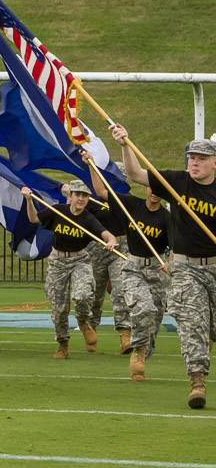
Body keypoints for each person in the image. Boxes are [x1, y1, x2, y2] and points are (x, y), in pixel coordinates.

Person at [111, 127, 216, 409]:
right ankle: (197, 381)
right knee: (192, 324)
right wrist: (125, 145)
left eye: (201, 158)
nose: (194, 162)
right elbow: (136, 175)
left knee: (211, 329)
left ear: (214, 162)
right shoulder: (177, 182)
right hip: (185, 268)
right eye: (191, 157)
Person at [83, 150, 170, 381]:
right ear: (146, 188)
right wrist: (91, 165)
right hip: (132, 266)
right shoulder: (132, 205)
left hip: (156, 269)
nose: (154, 193)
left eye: (159, 189)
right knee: (143, 309)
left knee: (155, 317)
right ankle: (137, 353)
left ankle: (144, 349)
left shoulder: (168, 218)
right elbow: (102, 192)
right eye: (152, 187)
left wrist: (169, 264)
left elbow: (176, 247)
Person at [21, 180, 117, 359]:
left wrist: (111, 241)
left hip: (80, 260)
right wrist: (28, 201)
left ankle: (83, 321)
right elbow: (33, 219)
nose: (81, 199)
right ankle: (63, 343)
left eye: (85, 196)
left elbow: (106, 234)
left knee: (82, 295)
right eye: (77, 195)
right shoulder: (58, 211)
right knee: (59, 308)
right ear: (70, 197)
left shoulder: (88, 218)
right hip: (58, 262)